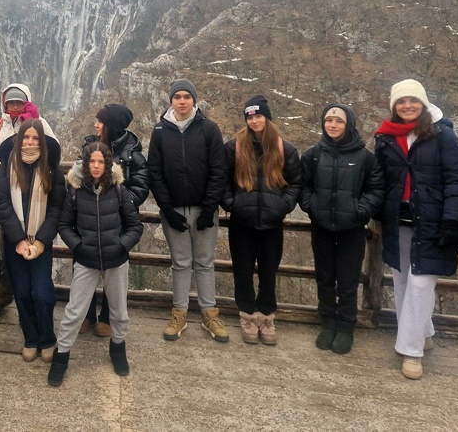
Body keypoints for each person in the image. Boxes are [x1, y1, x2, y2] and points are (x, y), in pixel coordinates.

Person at [374, 79, 458, 380]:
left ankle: (411, 351)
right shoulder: (386, 137)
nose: (407, 105)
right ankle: (423, 333)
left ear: (423, 103)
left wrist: (452, 220)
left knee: (421, 284)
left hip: (433, 221)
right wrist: (378, 216)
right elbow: (381, 180)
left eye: (413, 100)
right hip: (397, 220)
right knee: (402, 280)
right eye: (401, 101)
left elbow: (457, 180)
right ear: (394, 106)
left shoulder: (443, 135)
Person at [49, 142, 143, 386]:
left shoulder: (119, 190)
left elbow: (135, 226)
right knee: (74, 311)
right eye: (92, 161)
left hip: (116, 260)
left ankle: (118, 348)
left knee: (119, 311)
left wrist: (121, 246)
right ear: (86, 163)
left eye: (101, 161)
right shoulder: (75, 191)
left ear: (108, 164)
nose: (97, 166)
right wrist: (79, 247)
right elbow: (64, 225)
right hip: (86, 260)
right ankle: (61, 355)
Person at [147, 79, 229, 343]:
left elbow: (219, 170)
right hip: (174, 211)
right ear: (171, 100)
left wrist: (209, 209)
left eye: (186, 96)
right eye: (177, 97)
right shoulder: (160, 131)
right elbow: (154, 172)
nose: (182, 101)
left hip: (204, 209)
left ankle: (209, 314)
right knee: (181, 263)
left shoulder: (209, 129)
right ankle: (179, 314)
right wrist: (167, 209)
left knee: (204, 263)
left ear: (194, 99)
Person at [300, 104, 385, 354]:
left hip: (352, 229)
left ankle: (346, 326)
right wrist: (311, 206)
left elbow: (376, 190)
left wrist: (360, 210)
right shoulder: (313, 155)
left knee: (348, 280)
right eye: (328, 120)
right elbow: (303, 186)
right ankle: (327, 323)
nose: (333, 125)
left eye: (339, 121)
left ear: (349, 125)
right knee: (324, 277)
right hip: (321, 226)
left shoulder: (365, 158)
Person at [224, 95, 302, 346]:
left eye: (258, 116)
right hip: (241, 221)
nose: (254, 121)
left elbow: (295, 183)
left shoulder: (284, 149)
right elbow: (222, 180)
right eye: (250, 117)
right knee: (243, 270)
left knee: (269, 270)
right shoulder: (234, 147)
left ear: (267, 118)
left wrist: (283, 206)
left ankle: (267, 316)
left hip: (272, 222)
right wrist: (232, 204)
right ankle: (247, 315)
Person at [0, 118, 64, 362]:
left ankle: (48, 338)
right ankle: (31, 338)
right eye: (26, 137)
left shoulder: (51, 169)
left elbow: (56, 208)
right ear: (18, 139)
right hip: (16, 243)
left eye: (35, 138)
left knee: (43, 293)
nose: (30, 142)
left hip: (41, 242)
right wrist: (19, 240)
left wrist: (41, 241)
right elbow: (2, 204)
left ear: (42, 141)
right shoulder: (6, 167)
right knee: (22, 292)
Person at [0, 83, 57, 321]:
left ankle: (34, 302)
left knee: (36, 247)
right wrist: (2, 171)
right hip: (8, 188)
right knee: (9, 247)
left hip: (36, 191)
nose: (15, 107)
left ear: (26, 101)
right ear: (4, 104)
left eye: (19, 102)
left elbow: (52, 152)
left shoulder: (40, 123)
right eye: (10, 103)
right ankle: (5, 296)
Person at [76, 103, 149, 337]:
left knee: (113, 265)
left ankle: (107, 316)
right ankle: (86, 314)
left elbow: (141, 186)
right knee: (85, 263)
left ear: (111, 125)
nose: (96, 125)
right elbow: (77, 178)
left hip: (116, 220)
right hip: (88, 217)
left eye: (100, 121)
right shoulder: (89, 146)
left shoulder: (132, 151)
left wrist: (120, 203)